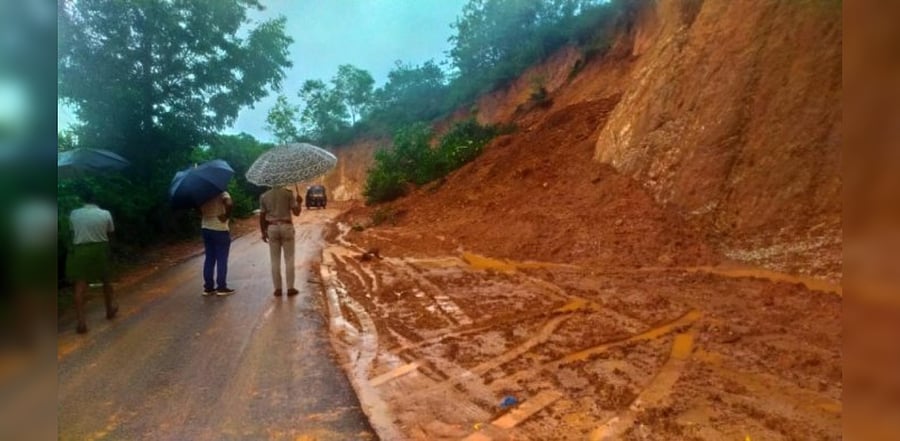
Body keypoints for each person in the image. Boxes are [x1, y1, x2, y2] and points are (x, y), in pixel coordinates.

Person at [66, 189, 117, 334]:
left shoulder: (74, 214)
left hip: (80, 251)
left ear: (83, 200)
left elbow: (72, 232)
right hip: (100, 249)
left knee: (80, 286)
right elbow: (110, 233)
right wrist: (110, 251)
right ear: (96, 200)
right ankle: (109, 310)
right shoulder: (105, 213)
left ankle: (81, 322)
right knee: (106, 281)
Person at [259, 186, 302, 297]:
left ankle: (278, 289)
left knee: (274, 260)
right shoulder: (288, 194)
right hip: (286, 226)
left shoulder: (264, 196)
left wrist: (263, 232)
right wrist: (299, 202)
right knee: (289, 259)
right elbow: (297, 212)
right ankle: (290, 288)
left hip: (272, 228)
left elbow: (262, 216)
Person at [200, 191, 235, 296]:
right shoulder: (222, 192)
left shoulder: (201, 194)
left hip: (206, 227)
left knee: (209, 258)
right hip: (219, 228)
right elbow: (229, 203)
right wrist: (226, 216)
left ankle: (208, 288)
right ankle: (221, 287)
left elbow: (197, 209)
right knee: (222, 259)